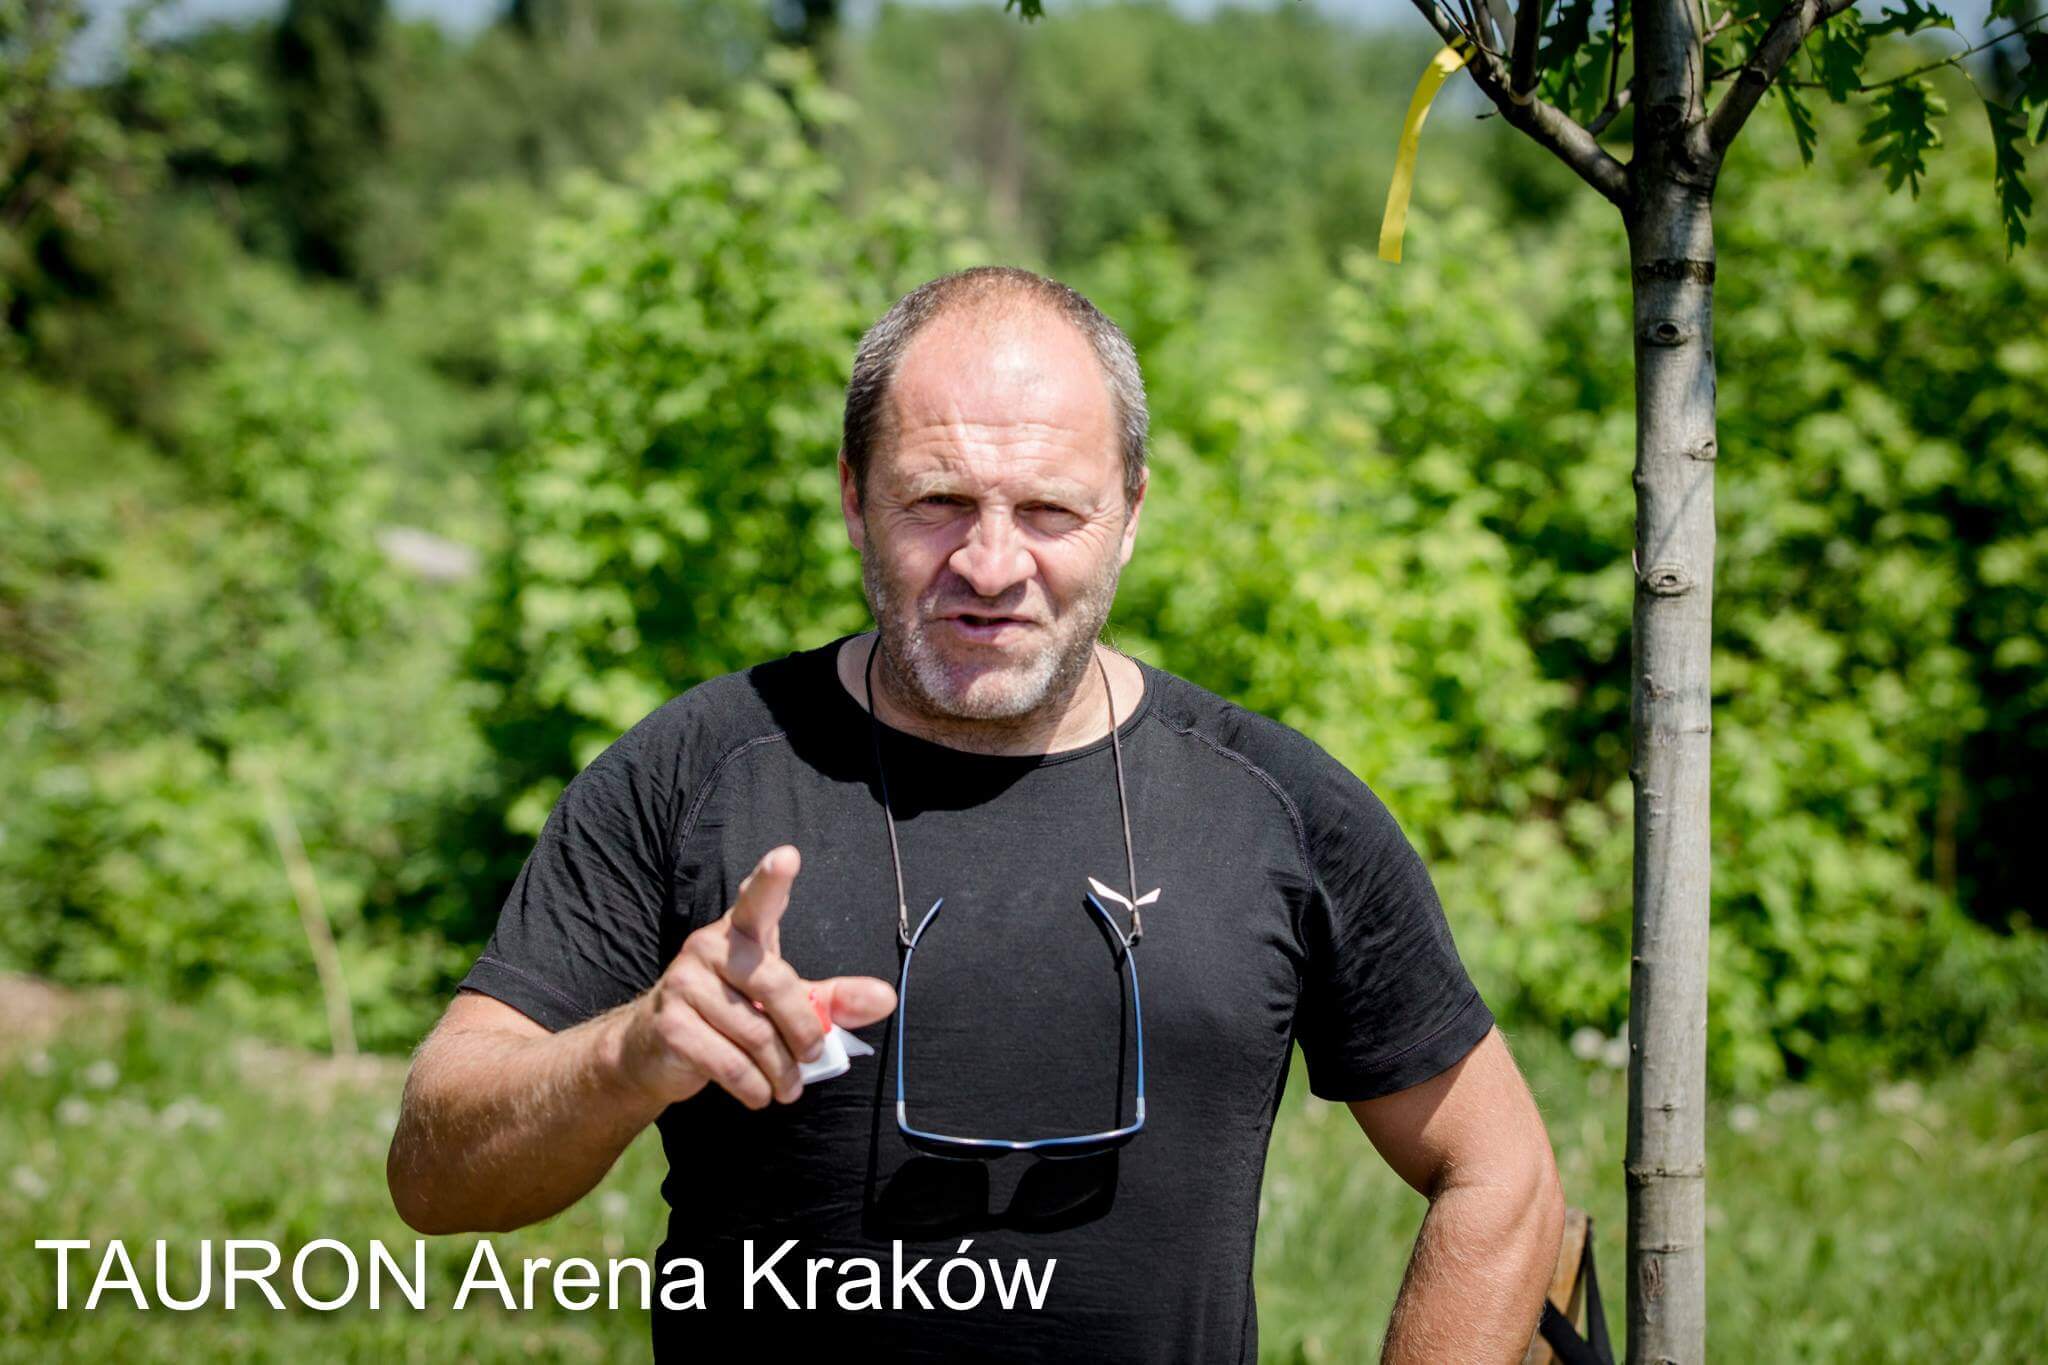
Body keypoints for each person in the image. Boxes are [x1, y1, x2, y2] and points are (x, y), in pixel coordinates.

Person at [387, 265, 1566, 1362]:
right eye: (937, 502)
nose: (991, 565)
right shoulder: (696, 773)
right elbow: (434, 1177)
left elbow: (1498, 1171)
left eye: (1048, 510)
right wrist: (626, 1055)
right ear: (853, 498)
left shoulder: (1274, 807)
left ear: (1131, 512)